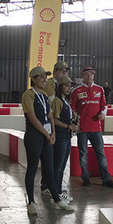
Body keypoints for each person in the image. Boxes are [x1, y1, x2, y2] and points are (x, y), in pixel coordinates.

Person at [22, 66, 75, 215]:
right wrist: (47, 134)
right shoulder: (28, 95)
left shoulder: (45, 96)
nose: (45, 80)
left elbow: (50, 116)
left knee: (50, 169)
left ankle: (57, 200)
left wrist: (53, 134)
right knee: (32, 169)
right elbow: (32, 118)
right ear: (33, 79)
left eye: (46, 77)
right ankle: (31, 202)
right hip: (34, 137)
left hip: (46, 137)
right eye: (41, 77)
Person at [70, 66, 113, 188]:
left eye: (91, 74)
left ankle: (106, 179)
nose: (89, 77)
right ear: (83, 76)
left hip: (96, 128)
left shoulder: (100, 89)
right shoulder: (76, 91)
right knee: (83, 154)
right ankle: (85, 177)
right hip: (82, 129)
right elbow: (72, 107)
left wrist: (103, 113)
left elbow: (104, 105)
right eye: (87, 74)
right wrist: (75, 117)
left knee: (101, 154)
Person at [40, 61, 70, 193]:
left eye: (66, 71)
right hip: (47, 124)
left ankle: (53, 185)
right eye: (62, 71)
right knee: (49, 158)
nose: (64, 73)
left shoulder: (62, 91)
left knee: (56, 159)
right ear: (55, 71)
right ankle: (46, 185)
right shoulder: (48, 85)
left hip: (57, 127)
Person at [50, 75, 78, 200]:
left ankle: (59, 190)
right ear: (60, 86)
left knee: (61, 166)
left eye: (70, 86)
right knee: (58, 165)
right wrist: (69, 126)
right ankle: (55, 192)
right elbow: (54, 120)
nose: (69, 88)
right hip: (61, 136)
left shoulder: (65, 101)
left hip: (66, 136)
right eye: (66, 86)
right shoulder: (57, 101)